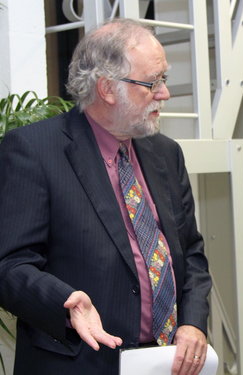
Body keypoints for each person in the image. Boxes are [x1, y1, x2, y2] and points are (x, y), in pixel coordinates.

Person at [0, 18, 212, 375]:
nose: (164, 94)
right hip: (82, 363)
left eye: (164, 79)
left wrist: (193, 322)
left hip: (164, 361)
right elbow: (9, 265)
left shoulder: (166, 153)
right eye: (153, 82)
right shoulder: (34, 151)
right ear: (107, 89)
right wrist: (64, 302)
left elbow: (190, 254)